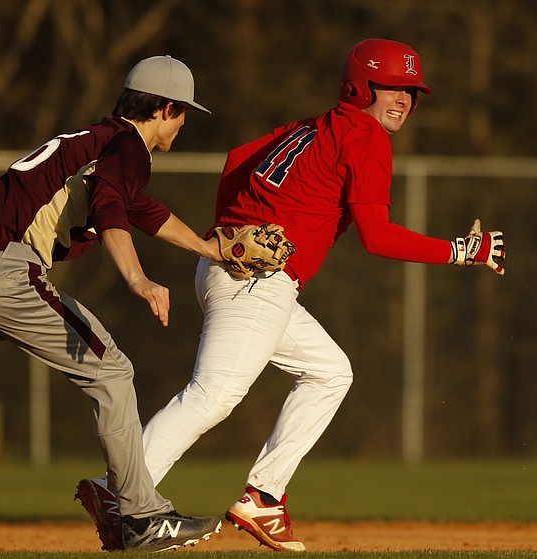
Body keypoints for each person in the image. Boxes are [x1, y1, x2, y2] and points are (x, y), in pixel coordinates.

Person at [79, 39, 506, 552]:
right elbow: (379, 236)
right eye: (392, 87)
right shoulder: (366, 136)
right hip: (256, 282)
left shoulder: (311, 127)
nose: (404, 100)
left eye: (412, 92)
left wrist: (225, 232)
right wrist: (462, 251)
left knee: (330, 372)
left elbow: (239, 159)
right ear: (360, 86)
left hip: (237, 275)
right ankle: (119, 491)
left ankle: (263, 495)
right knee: (213, 395)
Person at [0, 55, 225, 553]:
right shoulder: (129, 148)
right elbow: (112, 207)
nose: (183, 125)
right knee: (112, 371)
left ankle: (139, 514)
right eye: (183, 113)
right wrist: (139, 279)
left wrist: (209, 248)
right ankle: (141, 517)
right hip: (2, 272)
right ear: (163, 108)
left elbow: (140, 209)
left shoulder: (97, 141)